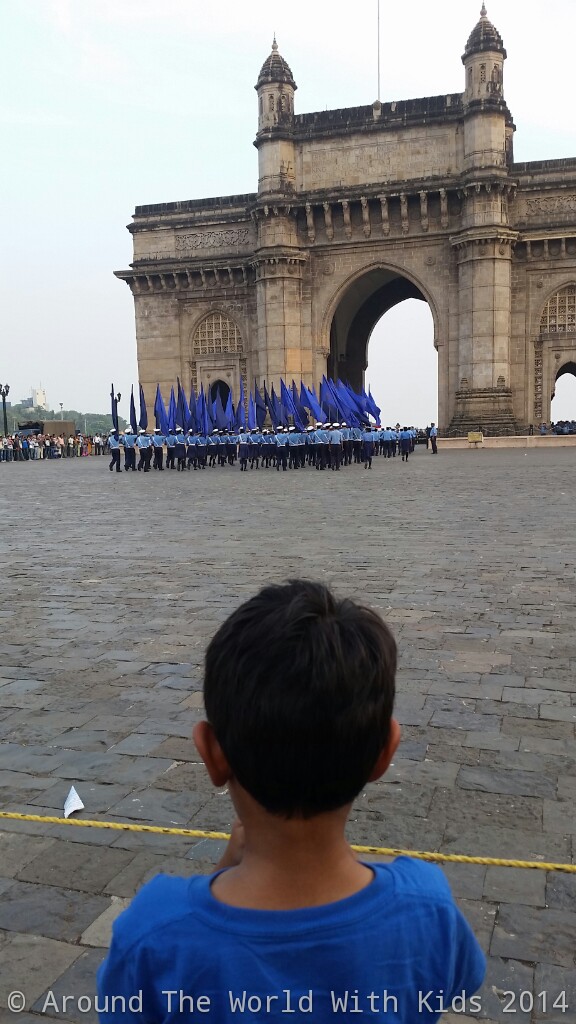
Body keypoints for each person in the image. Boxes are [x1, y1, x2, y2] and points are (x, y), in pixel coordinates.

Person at [97, 580, 485, 1024]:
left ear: (211, 754)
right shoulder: (428, 909)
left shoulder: (155, 932)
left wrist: (222, 874)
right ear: (385, 753)